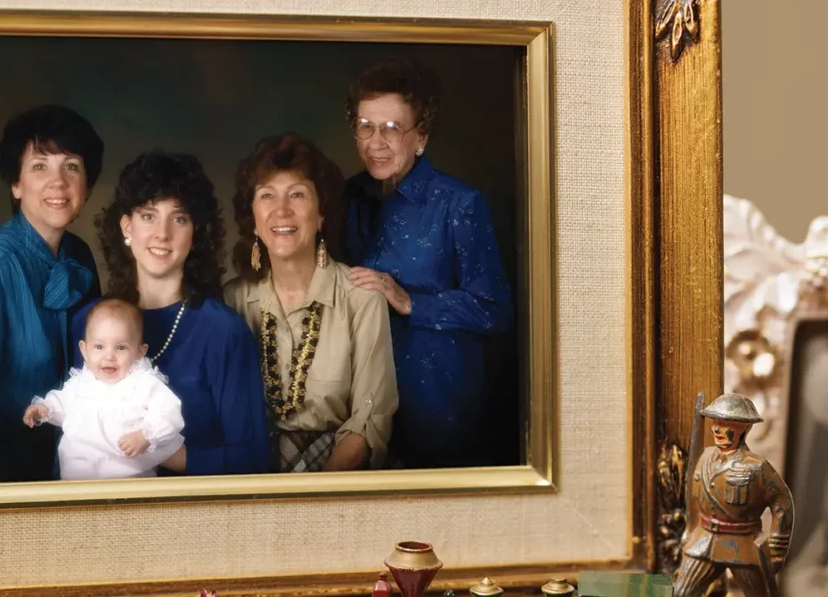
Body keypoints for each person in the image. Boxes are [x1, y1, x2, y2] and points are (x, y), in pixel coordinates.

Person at [340, 59, 512, 468]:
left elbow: (497, 311)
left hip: (436, 403)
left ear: (421, 137)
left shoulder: (459, 203)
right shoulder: (345, 196)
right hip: (359, 402)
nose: (375, 142)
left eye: (392, 128)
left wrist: (409, 300)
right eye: (366, 126)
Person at [72, 152, 268, 475]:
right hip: (100, 514)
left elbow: (252, 459)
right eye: (148, 216)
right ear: (126, 226)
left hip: (198, 515)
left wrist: (158, 454)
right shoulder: (86, 324)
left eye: (179, 219)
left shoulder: (224, 333)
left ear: (196, 233)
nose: (162, 233)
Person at [0, 104, 103, 483]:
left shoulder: (80, 256)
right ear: (15, 184)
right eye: (40, 166)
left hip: (81, 473)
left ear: (87, 185)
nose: (58, 182)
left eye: (72, 167)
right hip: (10, 486)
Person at [224, 134, 397, 473]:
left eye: (298, 194)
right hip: (253, 474)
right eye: (267, 195)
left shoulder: (362, 297)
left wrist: (314, 495)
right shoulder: (233, 300)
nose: (282, 210)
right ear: (254, 219)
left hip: (340, 475)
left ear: (321, 215)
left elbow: (369, 419)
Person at [23, 298, 184, 480]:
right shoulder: (81, 383)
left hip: (129, 480)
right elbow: (63, 404)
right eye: (99, 346)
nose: (109, 356)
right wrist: (44, 409)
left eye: (121, 347)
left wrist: (145, 435)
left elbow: (169, 412)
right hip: (76, 480)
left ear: (139, 352)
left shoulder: (143, 383)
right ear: (84, 350)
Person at [672, 393, 794, 597]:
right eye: (715, 423)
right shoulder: (704, 457)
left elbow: (782, 502)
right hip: (703, 541)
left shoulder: (757, 467)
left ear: (744, 428)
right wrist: (690, 529)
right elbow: (692, 497)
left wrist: (776, 548)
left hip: (742, 546)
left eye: (726, 424)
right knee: (681, 593)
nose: (717, 430)